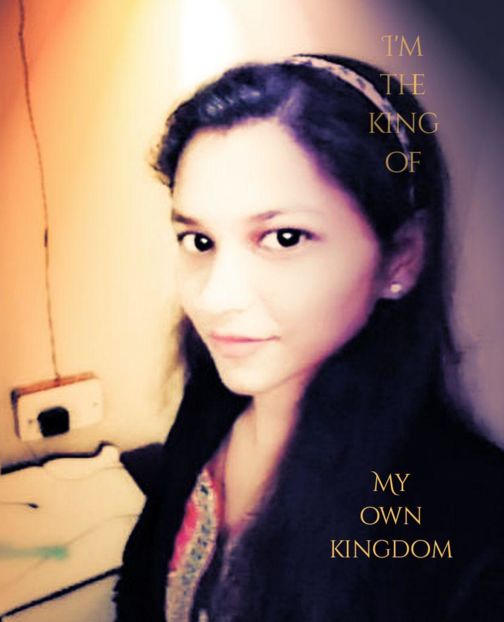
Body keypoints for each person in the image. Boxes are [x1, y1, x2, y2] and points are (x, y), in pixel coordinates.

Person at [114, 55, 504, 622]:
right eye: (199, 241)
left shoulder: (474, 532)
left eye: (284, 237)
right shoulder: (211, 402)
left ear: (401, 257)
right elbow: (141, 581)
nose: (215, 298)